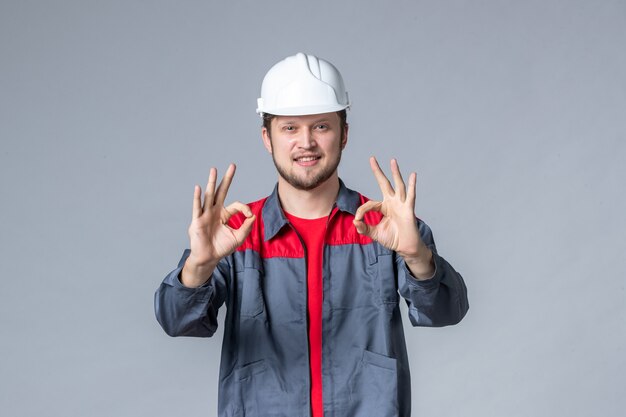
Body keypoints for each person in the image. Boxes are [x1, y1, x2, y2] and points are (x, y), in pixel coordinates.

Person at [155, 52, 468, 417]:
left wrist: (418, 258)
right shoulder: (238, 234)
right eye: (289, 127)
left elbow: (448, 311)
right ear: (267, 138)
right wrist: (199, 266)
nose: (306, 142)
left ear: (344, 134)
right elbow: (177, 322)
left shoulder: (383, 226)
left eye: (321, 126)